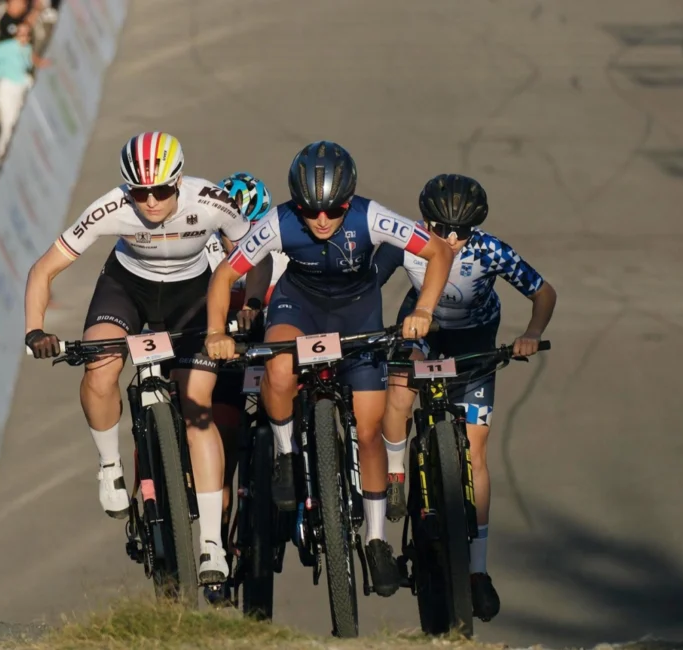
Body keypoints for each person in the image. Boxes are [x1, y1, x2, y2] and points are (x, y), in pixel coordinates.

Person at [204, 141, 453, 597]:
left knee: (370, 428)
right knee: (278, 369)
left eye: (334, 210)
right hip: (298, 307)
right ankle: (284, 452)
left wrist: (425, 308)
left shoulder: (373, 216)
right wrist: (215, 332)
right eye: (309, 210)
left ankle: (376, 540)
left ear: (350, 200)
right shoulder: (277, 222)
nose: (321, 220)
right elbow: (224, 276)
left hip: (358, 312)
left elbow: (439, 252)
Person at [23, 132, 267, 585]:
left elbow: (256, 251)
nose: (150, 201)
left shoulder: (211, 200)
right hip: (127, 288)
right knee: (102, 364)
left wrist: (251, 304)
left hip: (194, 296)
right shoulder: (111, 206)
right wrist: (35, 329)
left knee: (199, 409)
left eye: (161, 190)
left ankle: (211, 543)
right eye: (139, 192)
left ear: (178, 181)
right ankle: (110, 467)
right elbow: (44, 268)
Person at [375, 173, 557, 621]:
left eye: (463, 233)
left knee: (475, 453)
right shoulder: (405, 243)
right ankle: (397, 475)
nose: (452, 241)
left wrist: (532, 334)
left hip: (474, 340)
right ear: (424, 221)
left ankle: (477, 571)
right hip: (421, 329)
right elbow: (366, 283)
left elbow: (544, 292)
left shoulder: (491, 250)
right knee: (398, 396)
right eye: (441, 230)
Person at [201, 172, 285, 537]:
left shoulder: (279, 254)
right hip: (225, 358)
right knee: (224, 438)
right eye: (229, 231)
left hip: (264, 353)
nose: (237, 242)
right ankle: (219, 531)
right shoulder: (201, 248)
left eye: (251, 231)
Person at [0, 22, 48, 168]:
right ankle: (0, 158)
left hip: (21, 89)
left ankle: (15, 156)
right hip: (7, 88)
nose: (21, 37)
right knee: (8, 124)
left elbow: (31, 57)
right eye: (19, 33)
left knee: (19, 123)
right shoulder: (8, 47)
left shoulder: (26, 48)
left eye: (25, 34)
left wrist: (41, 62)